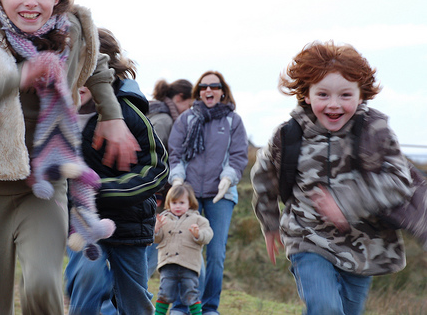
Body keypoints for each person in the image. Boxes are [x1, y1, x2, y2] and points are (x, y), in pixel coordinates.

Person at [0, 0, 139, 313]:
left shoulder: (71, 31)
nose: (31, 1)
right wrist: (18, 76)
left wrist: (111, 115)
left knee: (43, 285)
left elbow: (95, 62)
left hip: (43, 186)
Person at [250, 40, 414, 315]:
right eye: (323, 95)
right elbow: (263, 178)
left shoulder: (375, 132)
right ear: (306, 95)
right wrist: (269, 222)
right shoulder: (288, 136)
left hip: (363, 246)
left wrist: (344, 202)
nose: (334, 105)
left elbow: (399, 181)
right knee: (325, 307)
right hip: (307, 238)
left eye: (345, 95)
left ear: (361, 96)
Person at [64, 27, 169, 315]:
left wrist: (102, 190)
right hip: (82, 225)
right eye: (72, 65)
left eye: (88, 68)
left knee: (133, 299)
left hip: (130, 224)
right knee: (85, 279)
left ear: (107, 71)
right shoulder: (57, 116)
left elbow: (157, 167)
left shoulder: (129, 114)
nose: (79, 78)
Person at [168, 70, 249, 315]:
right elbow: (175, 154)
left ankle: (210, 306)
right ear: (198, 92)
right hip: (189, 195)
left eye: (214, 86)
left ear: (222, 90)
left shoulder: (233, 121)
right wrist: (177, 179)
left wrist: (228, 178)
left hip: (220, 195)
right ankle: (183, 306)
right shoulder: (186, 120)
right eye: (203, 87)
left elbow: (238, 157)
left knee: (215, 253)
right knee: (188, 249)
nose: (208, 90)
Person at [146, 78, 194, 278]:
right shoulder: (164, 120)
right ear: (179, 98)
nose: (189, 111)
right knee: (148, 249)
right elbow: (151, 157)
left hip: (151, 192)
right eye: (189, 105)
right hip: (152, 193)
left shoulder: (156, 113)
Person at [154, 183, 213, 315]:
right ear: (168, 204)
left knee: (191, 293)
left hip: (189, 265)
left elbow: (208, 235)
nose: (178, 206)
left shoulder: (198, 220)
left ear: (190, 203)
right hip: (168, 264)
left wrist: (198, 234)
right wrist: (156, 228)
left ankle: (196, 313)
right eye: (174, 203)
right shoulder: (163, 219)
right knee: (164, 292)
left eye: (182, 202)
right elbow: (156, 239)